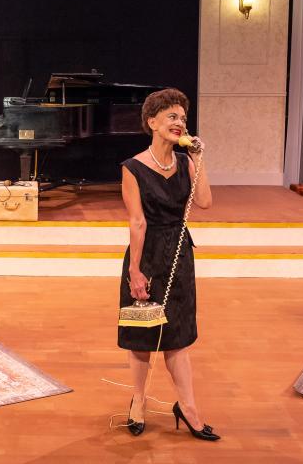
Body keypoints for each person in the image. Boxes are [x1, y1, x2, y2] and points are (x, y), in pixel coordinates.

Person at [118, 87, 219, 440]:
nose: (180, 122)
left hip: (179, 252)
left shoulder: (187, 163)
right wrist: (135, 270)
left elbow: (204, 201)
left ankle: (188, 408)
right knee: (141, 336)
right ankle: (138, 401)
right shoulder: (132, 168)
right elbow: (137, 222)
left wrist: (199, 157)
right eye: (172, 117)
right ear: (153, 122)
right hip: (146, 255)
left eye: (183, 118)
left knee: (177, 337)